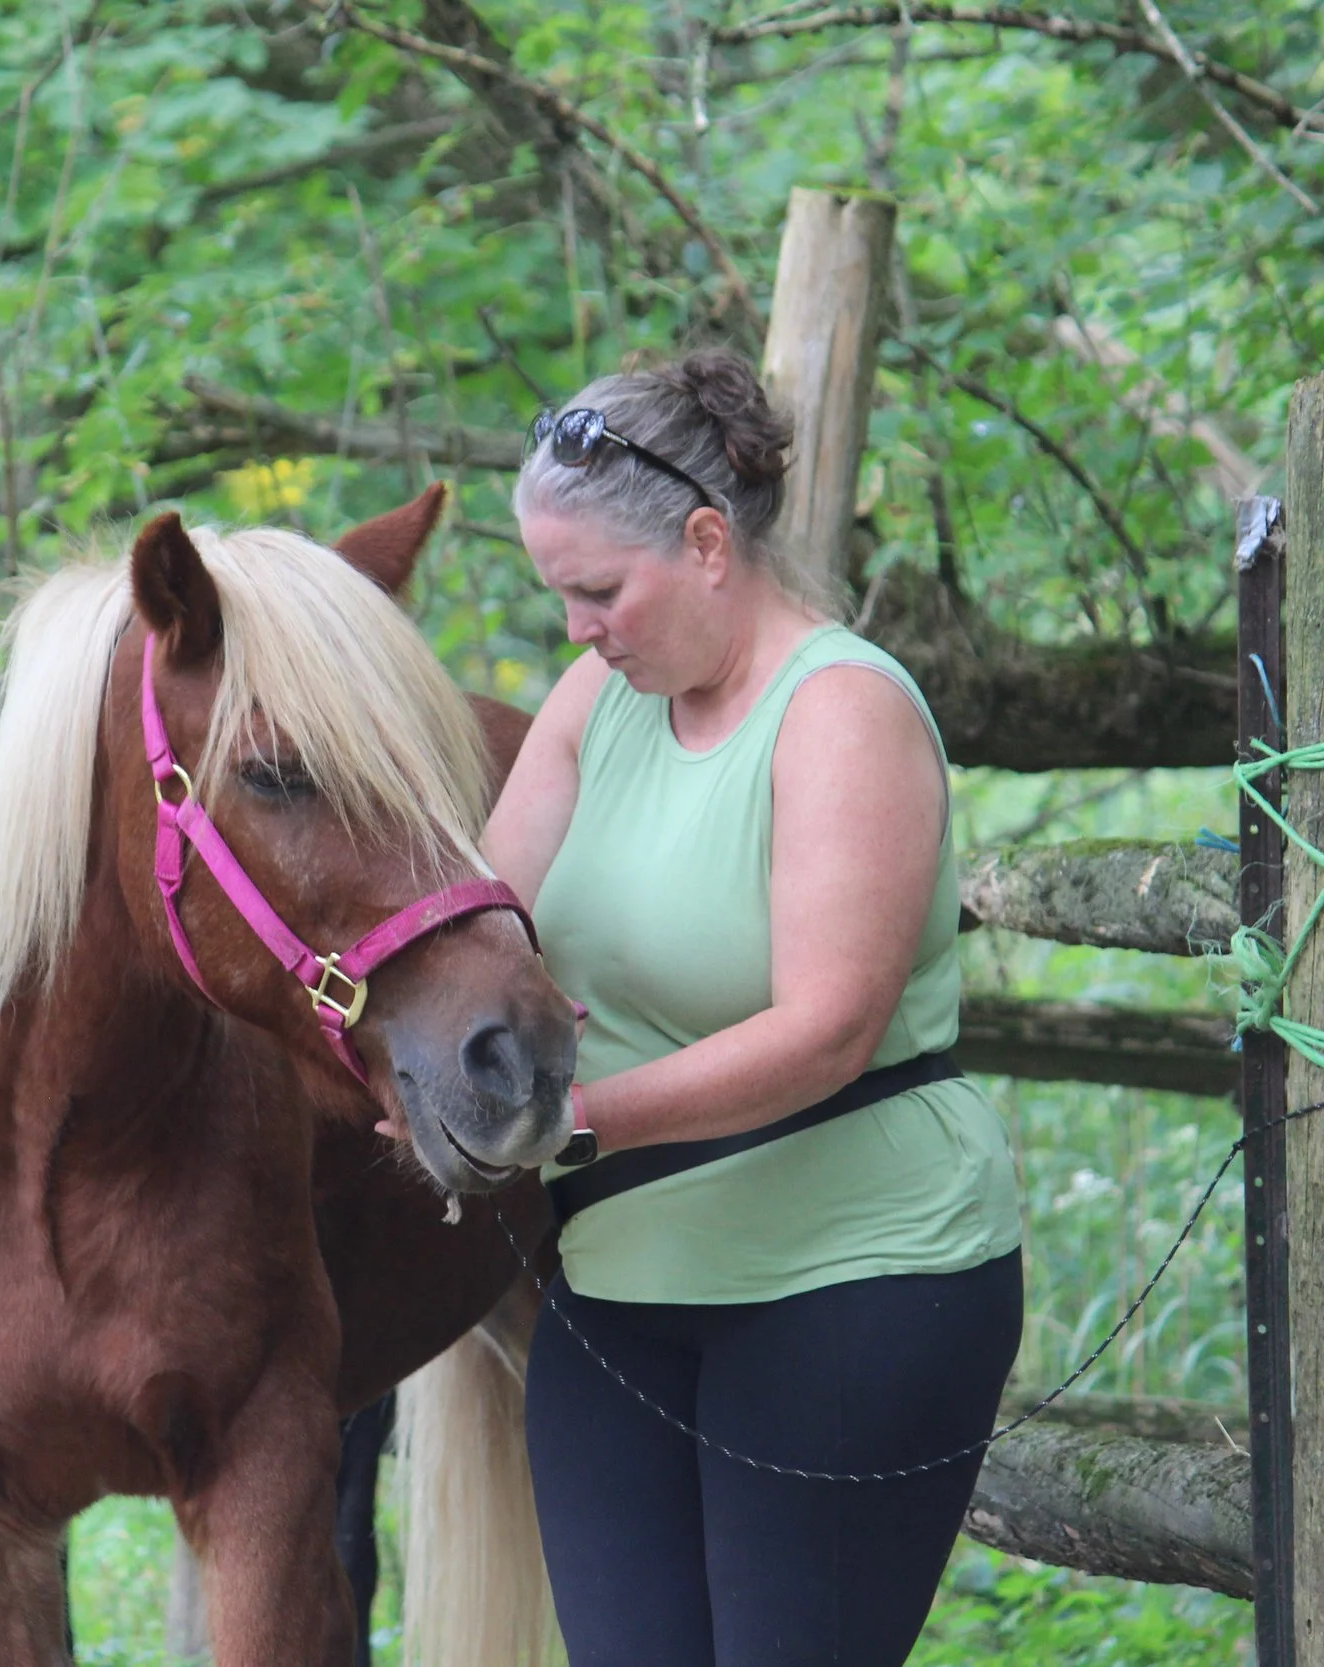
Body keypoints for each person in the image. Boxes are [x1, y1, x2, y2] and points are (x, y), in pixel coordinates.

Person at [479, 350, 1025, 1667]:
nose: (578, 629)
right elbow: (487, 926)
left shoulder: (840, 710)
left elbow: (828, 1026)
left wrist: (574, 1117)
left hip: (856, 1282)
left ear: (710, 543)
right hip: (621, 1283)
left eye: (599, 590)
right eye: (557, 596)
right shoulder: (595, 700)